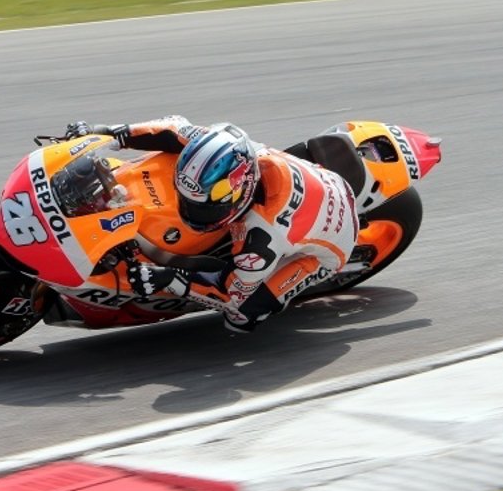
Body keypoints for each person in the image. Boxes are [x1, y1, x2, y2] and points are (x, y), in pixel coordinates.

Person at [65, 116, 359, 332]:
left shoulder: (263, 237)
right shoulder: (223, 147)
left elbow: (232, 293)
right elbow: (172, 128)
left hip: (330, 243)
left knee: (242, 316)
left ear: (242, 191)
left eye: (201, 208)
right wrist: (107, 133)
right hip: (311, 181)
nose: (191, 212)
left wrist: (170, 279)